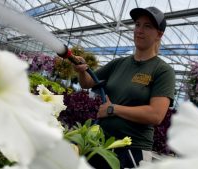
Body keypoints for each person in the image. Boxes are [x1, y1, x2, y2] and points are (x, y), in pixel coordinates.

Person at [74, 6, 175, 169]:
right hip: (100, 144)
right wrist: (81, 70)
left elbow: (156, 114)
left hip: (133, 151)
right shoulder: (118, 63)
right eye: (137, 24)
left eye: (147, 26)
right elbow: (87, 83)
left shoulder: (162, 70)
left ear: (159, 34)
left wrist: (113, 109)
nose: (139, 30)